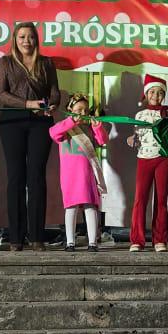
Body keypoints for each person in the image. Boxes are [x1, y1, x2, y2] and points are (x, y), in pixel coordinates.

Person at [0, 22, 62, 251]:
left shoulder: (46, 63)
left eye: (30, 37)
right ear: (15, 39)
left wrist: (51, 104)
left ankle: (37, 237)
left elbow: (54, 91)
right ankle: (15, 237)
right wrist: (26, 104)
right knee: (16, 178)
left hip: (40, 122)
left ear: (36, 39)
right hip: (12, 122)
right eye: (22, 37)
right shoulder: (6, 62)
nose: (26, 41)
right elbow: (0, 94)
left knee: (36, 178)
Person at [51, 93, 108, 251]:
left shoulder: (89, 128)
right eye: (79, 110)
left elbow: (103, 141)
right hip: (70, 176)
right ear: (70, 110)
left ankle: (92, 242)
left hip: (87, 174)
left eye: (85, 110)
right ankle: (70, 242)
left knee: (91, 207)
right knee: (71, 207)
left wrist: (97, 126)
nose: (83, 113)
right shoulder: (65, 127)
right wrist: (71, 121)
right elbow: (53, 133)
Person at [127, 74, 168, 252]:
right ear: (146, 94)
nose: (156, 96)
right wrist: (132, 139)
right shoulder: (140, 114)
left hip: (163, 159)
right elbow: (138, 138)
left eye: (160, 93)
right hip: (144, 159)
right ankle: (137, 240)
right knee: (140, 199)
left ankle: (159, 239)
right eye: (152, 92)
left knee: (161, 199)